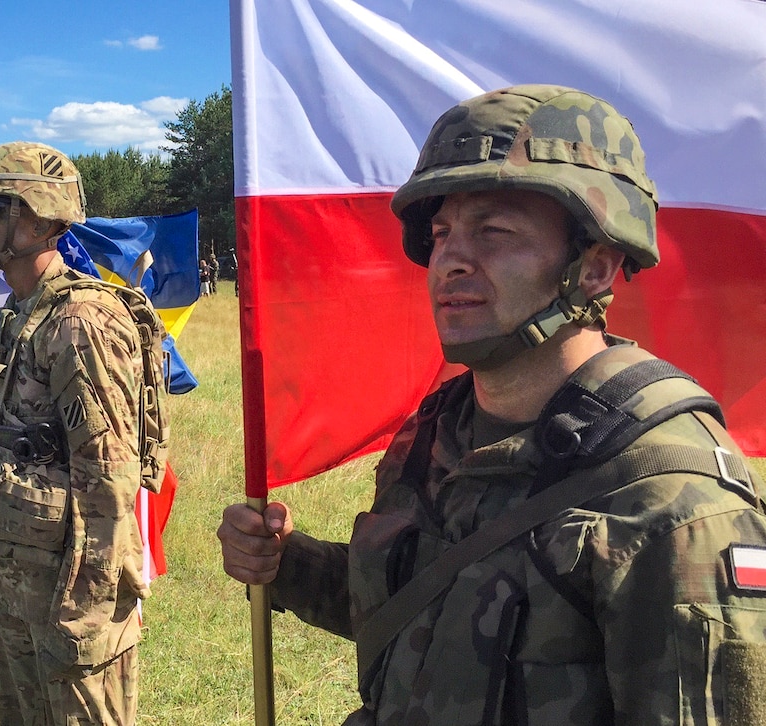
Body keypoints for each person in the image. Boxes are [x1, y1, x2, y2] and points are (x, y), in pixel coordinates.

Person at [217, 85, 766, 724]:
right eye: (443, 233)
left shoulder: (673, 502)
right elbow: (425, 609)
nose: (450, 259)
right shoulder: (439, 430)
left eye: (495, 232)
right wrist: (288, 564)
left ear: (593, 268)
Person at [0, 141, 164, 725]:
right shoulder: (19, 315)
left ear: (34, 219)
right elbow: (16, 454)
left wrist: (85, 615)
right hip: (20, 586)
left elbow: (109, 481)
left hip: (71, 597)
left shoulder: (81, 321)